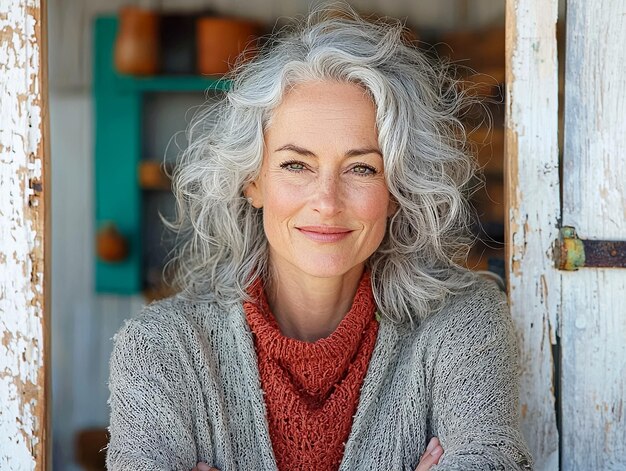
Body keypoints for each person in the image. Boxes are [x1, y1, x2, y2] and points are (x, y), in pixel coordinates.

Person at [106, 5, 533, 471]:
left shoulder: (464, 324)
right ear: (253, 180)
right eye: (296, 164)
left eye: (361, 168)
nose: (327, 201)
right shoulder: (160, 347)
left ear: (398, 190)